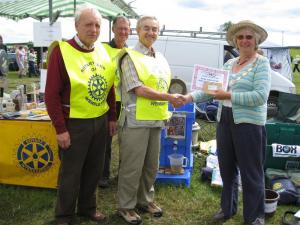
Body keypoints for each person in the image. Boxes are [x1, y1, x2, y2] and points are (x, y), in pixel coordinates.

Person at [182, 20, 271, 225]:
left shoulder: (261, 64)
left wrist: (227, 94)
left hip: (249, 124)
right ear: (235, 41)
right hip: (225, 121)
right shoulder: (230, 64)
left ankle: (255, 217)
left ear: (256, 40)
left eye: (249, 37)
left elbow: (260, 96)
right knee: (226, 168)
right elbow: (211, 89)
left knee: (251, 172)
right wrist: (189, 98)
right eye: (240, 37)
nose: (244, 40)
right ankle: (227, 209)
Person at [45, 4, 116, 225]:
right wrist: (60, 129)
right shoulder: (62, 51)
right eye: (88, 24)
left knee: (94, 170)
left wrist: (112, 116)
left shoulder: (102, 50)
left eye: (97, 25)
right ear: (77, 25)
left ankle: (87, 208)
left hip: (100, 120)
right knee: (71, 173)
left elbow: (109, 87)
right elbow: (51, 94)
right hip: (74, 124)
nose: (93, 29)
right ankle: (64, 215)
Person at [116, 16, 184, 225]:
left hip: (155, 119)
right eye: (146, 28)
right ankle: (126, 207)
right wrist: (170, 98)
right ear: (137, 30)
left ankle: (145, 200)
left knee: (151, 166)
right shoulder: (129, 56)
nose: (151, 33)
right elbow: (138, 89)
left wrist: (175, 95)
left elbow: (164, 84)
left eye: (155, 29)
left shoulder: (160, 58)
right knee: (131, 166)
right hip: (135, 120)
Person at [98, 15, 131, 188]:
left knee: (126, 139)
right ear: (113, 29)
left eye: (126, 29)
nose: (123, 32)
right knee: (106, 140)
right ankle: (103, 175)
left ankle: (123, 174)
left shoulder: (131, 52)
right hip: (107, 101)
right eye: (120, 28)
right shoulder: (102, 48)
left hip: (126, 102)